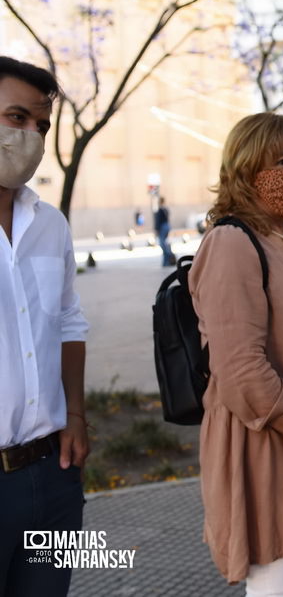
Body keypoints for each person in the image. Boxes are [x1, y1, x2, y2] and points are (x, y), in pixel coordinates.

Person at [189, 112, 283, 596]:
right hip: (269, 446)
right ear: (246, 168)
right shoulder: (231, 242)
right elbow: (242, 374)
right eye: (282, 160)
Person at [0, 56, 89, 596]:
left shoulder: (50, 224)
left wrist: (75, 413)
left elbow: (69, 321)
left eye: (41, 125)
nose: (31, 137)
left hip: (52, 474)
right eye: (15, 118)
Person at [154, 195, 174, 266]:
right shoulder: (166, 209)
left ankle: (167, 260)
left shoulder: (160, 210)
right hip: (167, 226)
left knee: (162, 244)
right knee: (164, 244)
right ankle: (166, 261)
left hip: (163, 227)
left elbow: (158, 221)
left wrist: (156, 229)